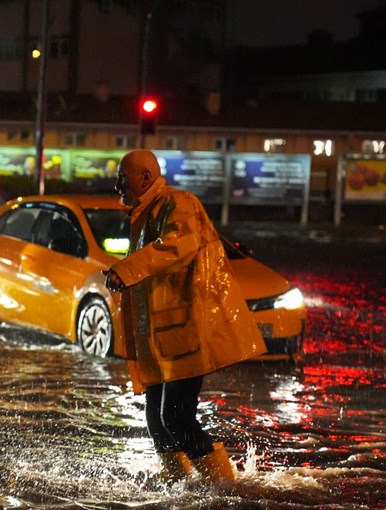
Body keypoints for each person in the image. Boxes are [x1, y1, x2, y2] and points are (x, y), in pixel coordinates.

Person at [103, 149, 266, 485]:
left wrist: (126, 269)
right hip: (162, 339)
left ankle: (223, 487)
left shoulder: (178, 203)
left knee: (175, 417)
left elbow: (178, 246)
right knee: (157, 420)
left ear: (145, 178)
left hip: (184, 334)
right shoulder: (147, 212)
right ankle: (179, 487)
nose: (117, 184)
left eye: (123, 176)